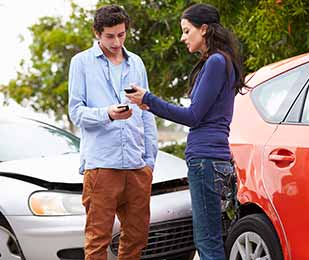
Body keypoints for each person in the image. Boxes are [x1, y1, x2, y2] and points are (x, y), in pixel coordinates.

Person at [126, 3, 247, 259]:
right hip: (215, 159)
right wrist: (149, 103)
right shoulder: (222, 62)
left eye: (186, 31)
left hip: (205, 160)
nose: (182, 38)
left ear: (203, 29)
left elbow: (193, 116)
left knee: (207, 240)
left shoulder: (215, 62)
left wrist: (150, 99)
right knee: (214, 237)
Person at [68, 4, 157, 260]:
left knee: (137, 238)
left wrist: (150, 161)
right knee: (97, 241)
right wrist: (108, 113)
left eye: (121, 34)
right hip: (101, 166)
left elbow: (146, 111)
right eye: (110, 36)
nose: (117, 42)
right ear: (97, 33)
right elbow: (76, 112)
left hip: (137, 165)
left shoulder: (136, 63)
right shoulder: (81, 63)